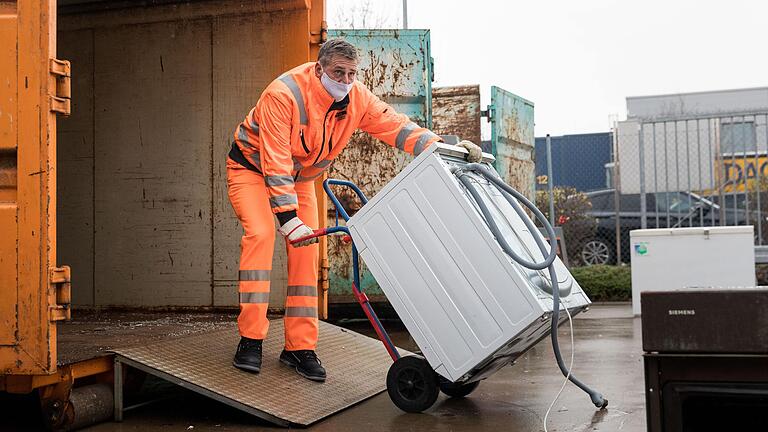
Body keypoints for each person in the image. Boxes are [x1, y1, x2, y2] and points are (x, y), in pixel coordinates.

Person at [226, 38, 482, 382]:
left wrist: (443, 149)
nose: (345, 81)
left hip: (301, 179)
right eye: (337, 73)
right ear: (319, 70)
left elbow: (396, 126)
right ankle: (251, 339)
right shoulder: (283, 95)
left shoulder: (356, 97)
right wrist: (287, 218)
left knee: (307, 253)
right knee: (261, 234)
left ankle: (298, 347)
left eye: (351, 74)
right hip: (252, 170)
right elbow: (274, 160)